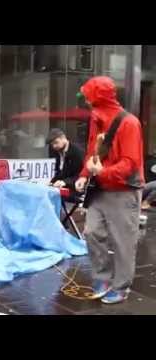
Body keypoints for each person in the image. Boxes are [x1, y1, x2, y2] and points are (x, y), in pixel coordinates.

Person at [74, 76, 145, 304]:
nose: (85, 100)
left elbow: (130, 163)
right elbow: (92, 152)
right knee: (92, 232)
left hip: (124, 191)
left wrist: (100, 172)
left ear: (97, 97)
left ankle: (121, 286)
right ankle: (102, 277)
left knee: (123, 240)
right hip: (100, 188)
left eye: (87, 95)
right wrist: (84, 175)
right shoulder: (96, 119)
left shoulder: (129, 123)